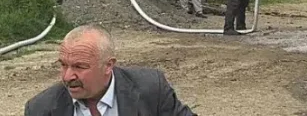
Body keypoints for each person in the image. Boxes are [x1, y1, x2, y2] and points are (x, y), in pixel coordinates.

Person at [24, 24, 195, 116]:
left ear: (108, 65)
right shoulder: (40, 109)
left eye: (80, 66)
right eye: (63, 65)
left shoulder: (152, 89)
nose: (68, 76)